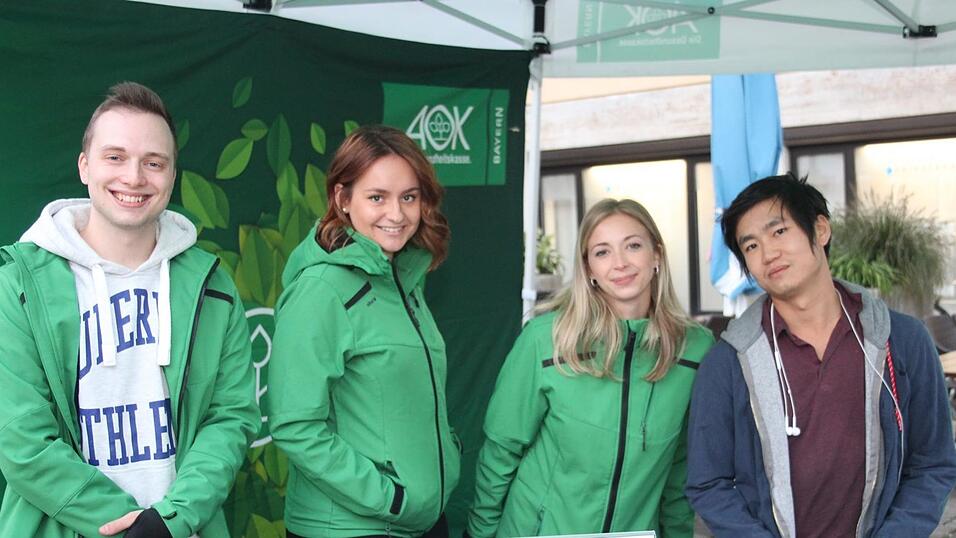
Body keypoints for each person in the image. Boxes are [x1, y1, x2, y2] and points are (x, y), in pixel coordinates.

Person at [0, 82, 259, 537]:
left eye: (153, 163)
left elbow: (230, 417)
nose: (134, 178)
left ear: (172, 174)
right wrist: (127, 527)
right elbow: (22, 440)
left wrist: (168, 521)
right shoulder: (18, 283)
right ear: (85, 166)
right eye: (115, 157)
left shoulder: (211, 284)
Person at [686, 173, 956, 537]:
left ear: (821, 230)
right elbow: (708, 483)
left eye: (779, 232)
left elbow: (932, 463)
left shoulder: (903, 340)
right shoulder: (727, 363)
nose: (768, 253)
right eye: (750, 246)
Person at [465, 198, 714, 538]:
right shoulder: (546, 340)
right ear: (589, 269)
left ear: (656, 254)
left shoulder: (695, 349)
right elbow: (501, 449)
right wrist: (481, 534)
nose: (620, 263)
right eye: (602, 252)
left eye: (633, 246)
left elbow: (680, 466)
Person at [267, 124, 460, 538]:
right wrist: (389, 498)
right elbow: (295, 426)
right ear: (343, 198)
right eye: (378, 197)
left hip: (420, 519)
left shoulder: (406, 280)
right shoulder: (320, 291)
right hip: (352, 527)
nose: (397, 214)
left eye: (409, 197)